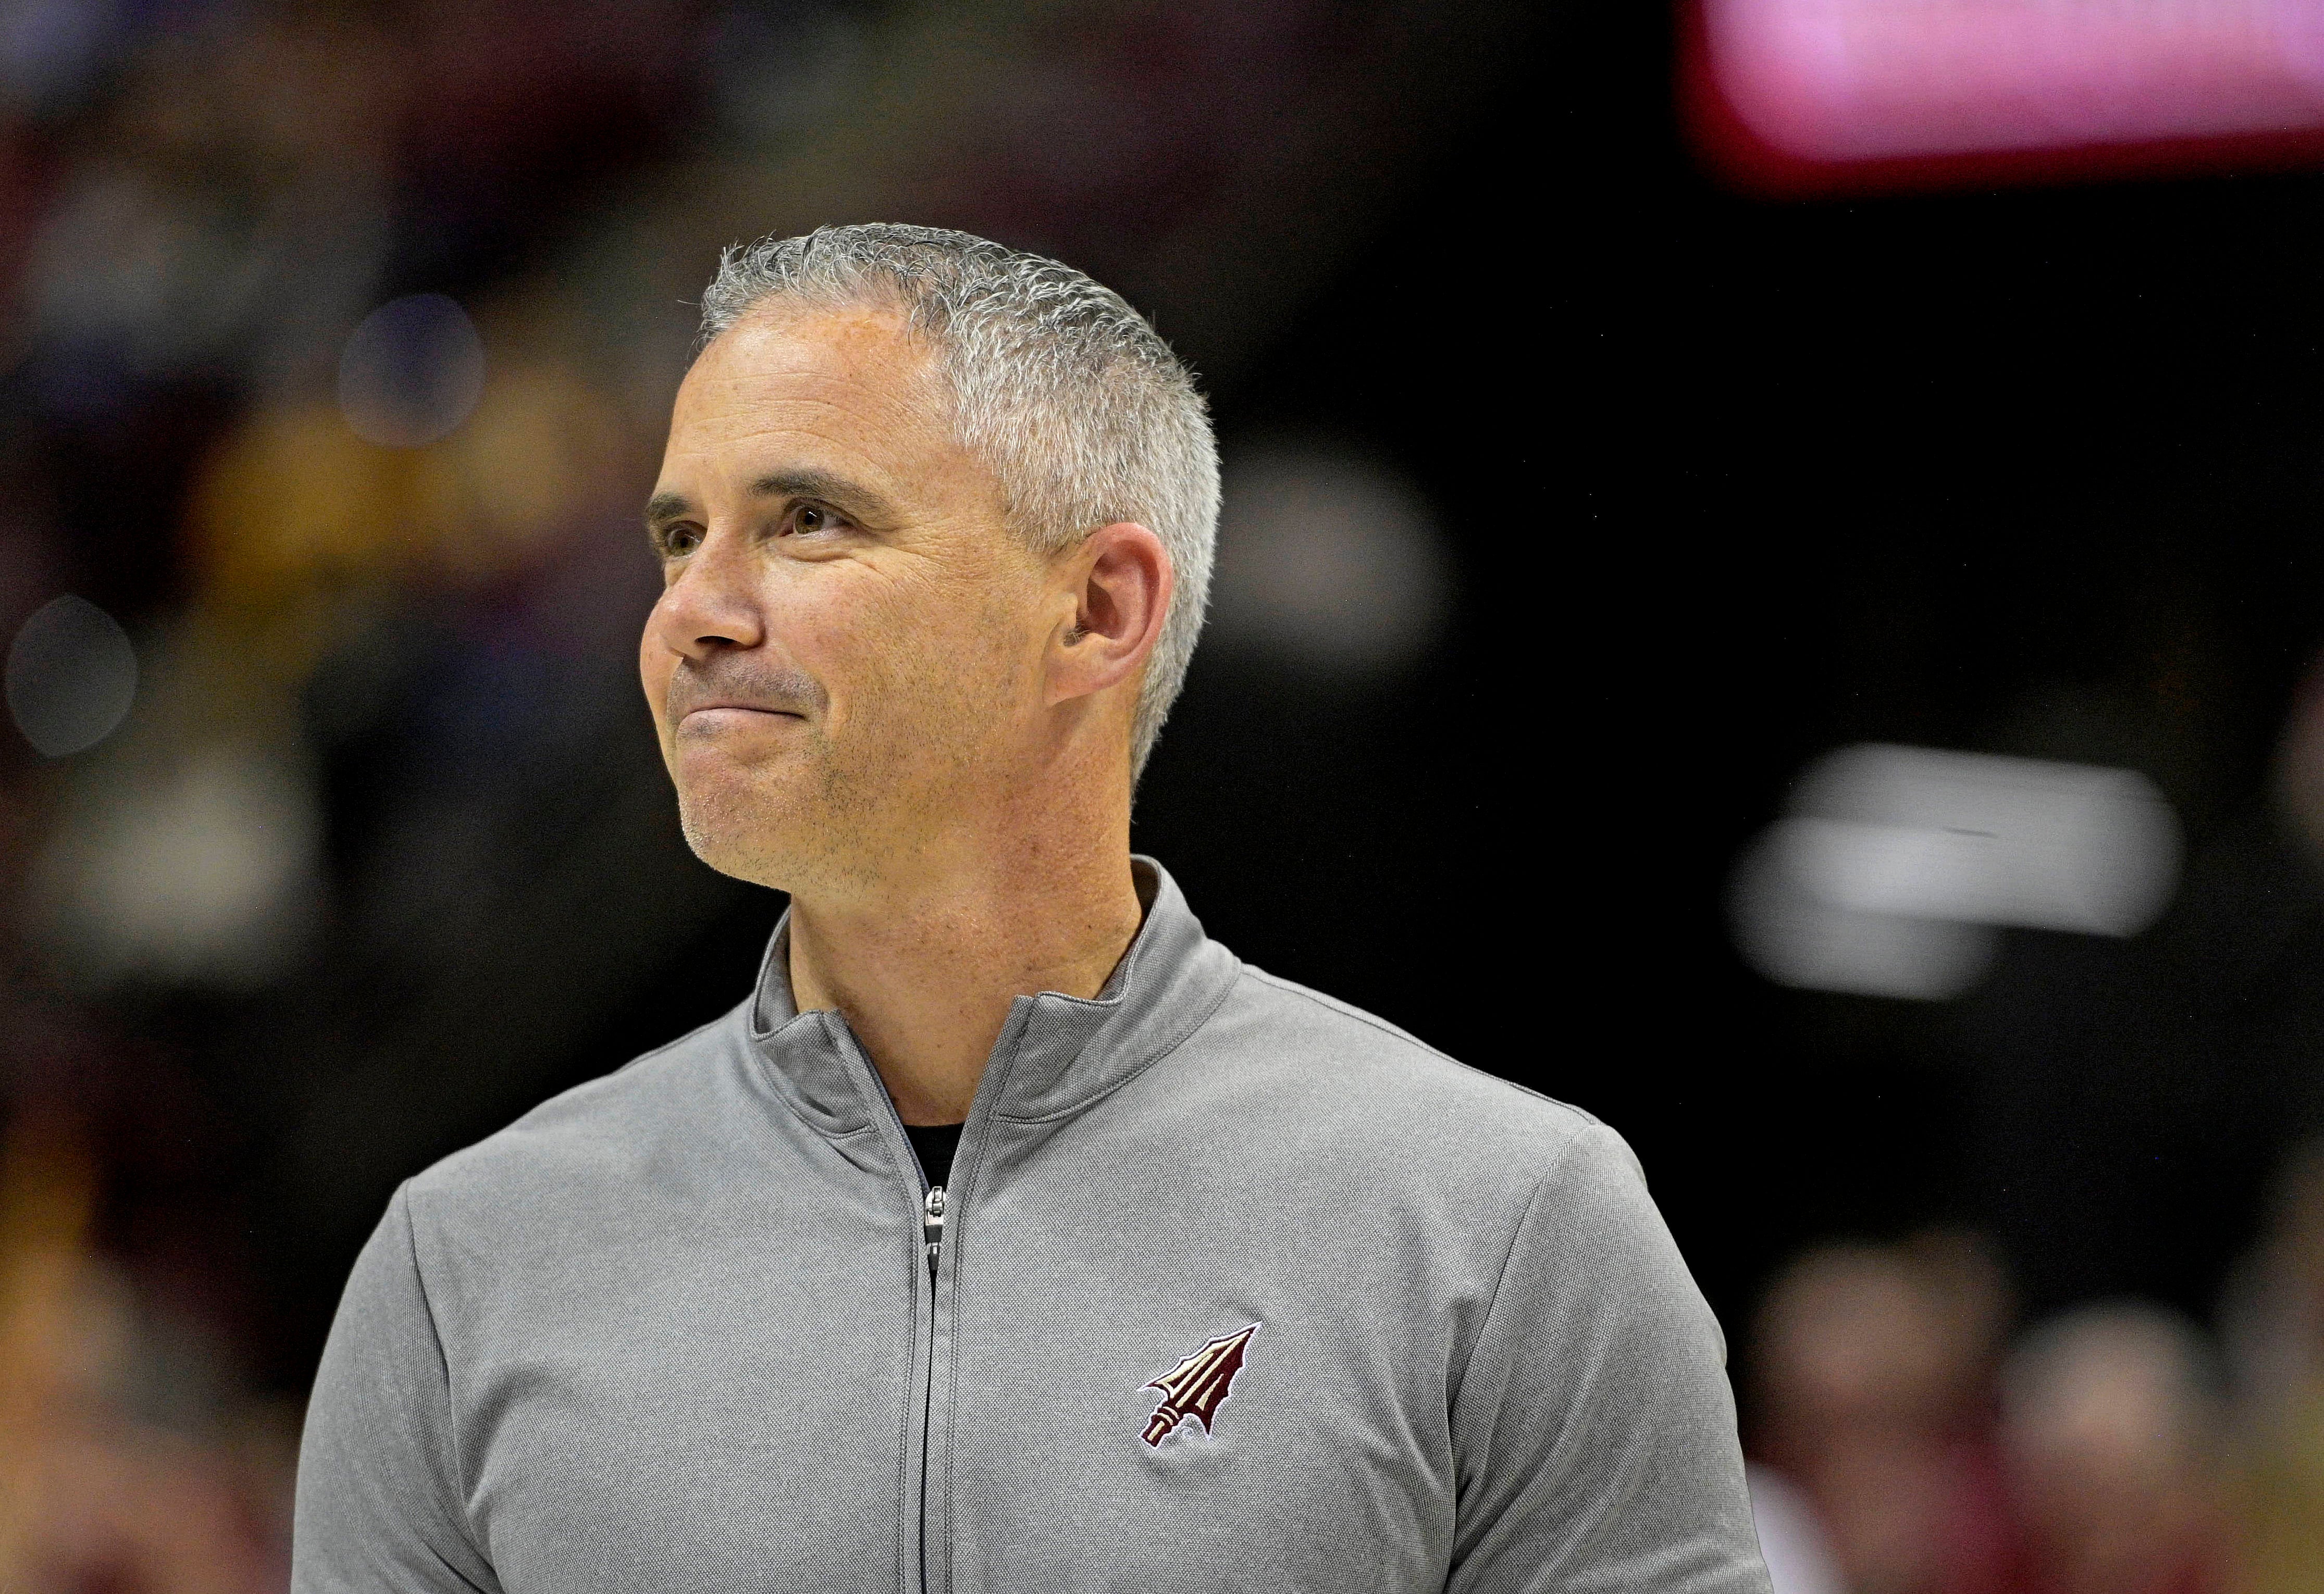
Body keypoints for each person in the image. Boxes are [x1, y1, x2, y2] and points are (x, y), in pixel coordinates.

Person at [291, 223, 1770, 1593]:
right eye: (680, 538)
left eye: (805, 520)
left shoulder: (1503, 1229)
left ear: (1099, 610)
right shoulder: (464, 1266)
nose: (695, 610)